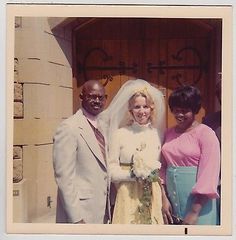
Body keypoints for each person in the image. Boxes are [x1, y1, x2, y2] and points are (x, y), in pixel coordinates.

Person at [98, 79, 166, 224]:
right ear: (130, 110)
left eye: (146, 106)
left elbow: (161, 168)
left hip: (152, 193)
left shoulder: (158, 134)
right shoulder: (120, 134)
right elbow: (112, 169)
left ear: (151, 109)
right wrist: (134, 175)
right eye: (137, 107)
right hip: (127, 194)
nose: (142, 111)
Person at [160, 85, 220, 225]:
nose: (179, 115)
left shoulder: (206, 134)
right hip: (172, 206)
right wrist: (163, 198)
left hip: (199, 207)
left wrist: (194, 212)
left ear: (195, 110)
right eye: (176, 110)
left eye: (185, 111)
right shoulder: (168, 133)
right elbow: (162, 167)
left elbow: (208, 176)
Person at [53, 80, 110, 224]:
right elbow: (64, 178)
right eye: (92, 96)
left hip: (101, 210)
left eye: (101, 97)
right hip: (82, 213)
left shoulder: (104, 127)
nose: (97, 101)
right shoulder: (69, 127)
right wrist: (76, 218)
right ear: (81, 97)